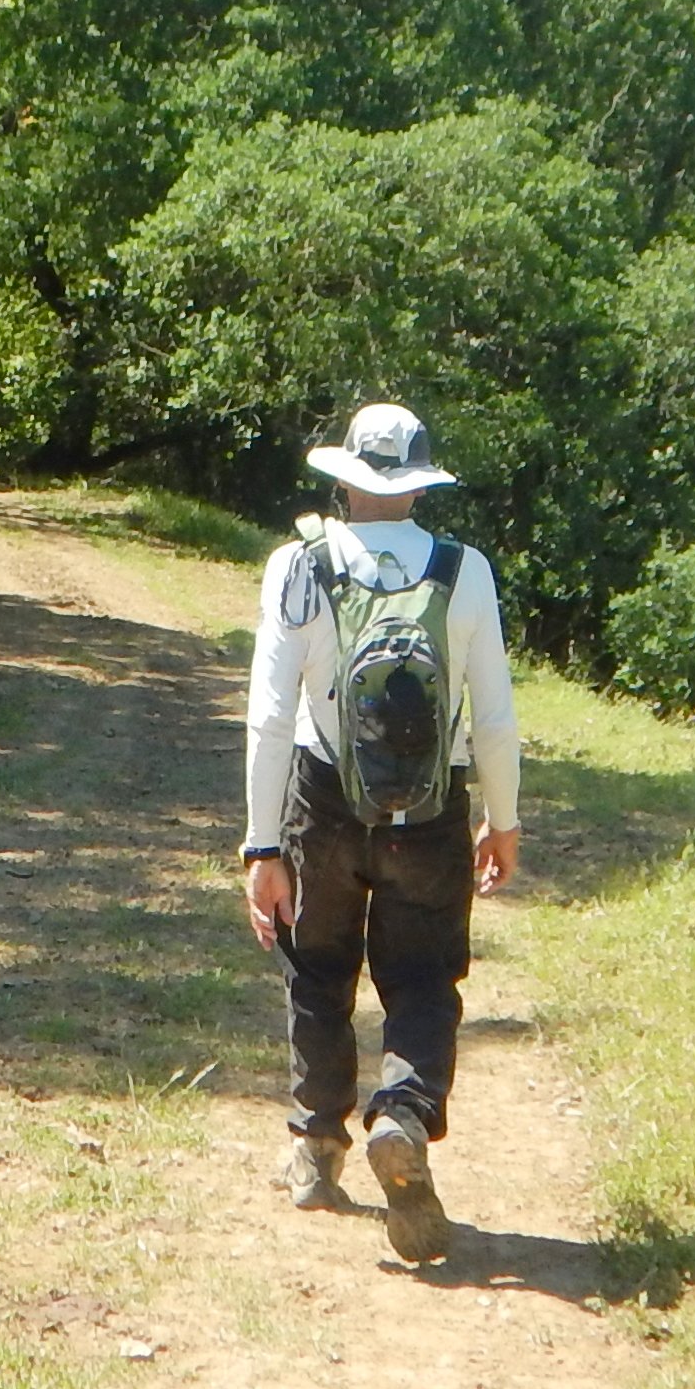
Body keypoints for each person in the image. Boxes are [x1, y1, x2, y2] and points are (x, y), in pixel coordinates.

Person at [237, 399, 521, 1261]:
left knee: (317, 967)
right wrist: (502, 820)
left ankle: (318, 1147)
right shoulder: (465, 571)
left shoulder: (300, 565)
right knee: (425, 978)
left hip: (322, 799)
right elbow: (494, 715)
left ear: (346, 479)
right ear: (420, 485)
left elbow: (269, 714)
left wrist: (262, 845)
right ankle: (401, 1113)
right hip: (430, 810)